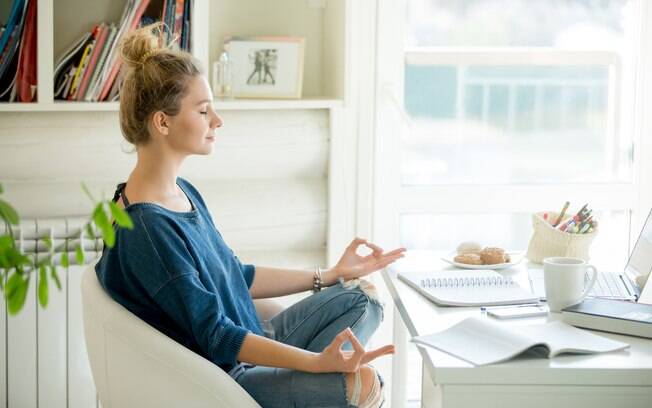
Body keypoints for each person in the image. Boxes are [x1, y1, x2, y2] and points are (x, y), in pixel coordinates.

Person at [95, 24, 406, 408]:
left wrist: (330, 275)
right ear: (163, 122)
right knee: (363, 384)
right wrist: (315, 362)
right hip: (227, 377)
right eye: (204, 110)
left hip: (252, 333)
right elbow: (216, 336)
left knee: (363, 297)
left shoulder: (181, 193)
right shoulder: (149, 229)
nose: (217, 121)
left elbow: (236, 276)